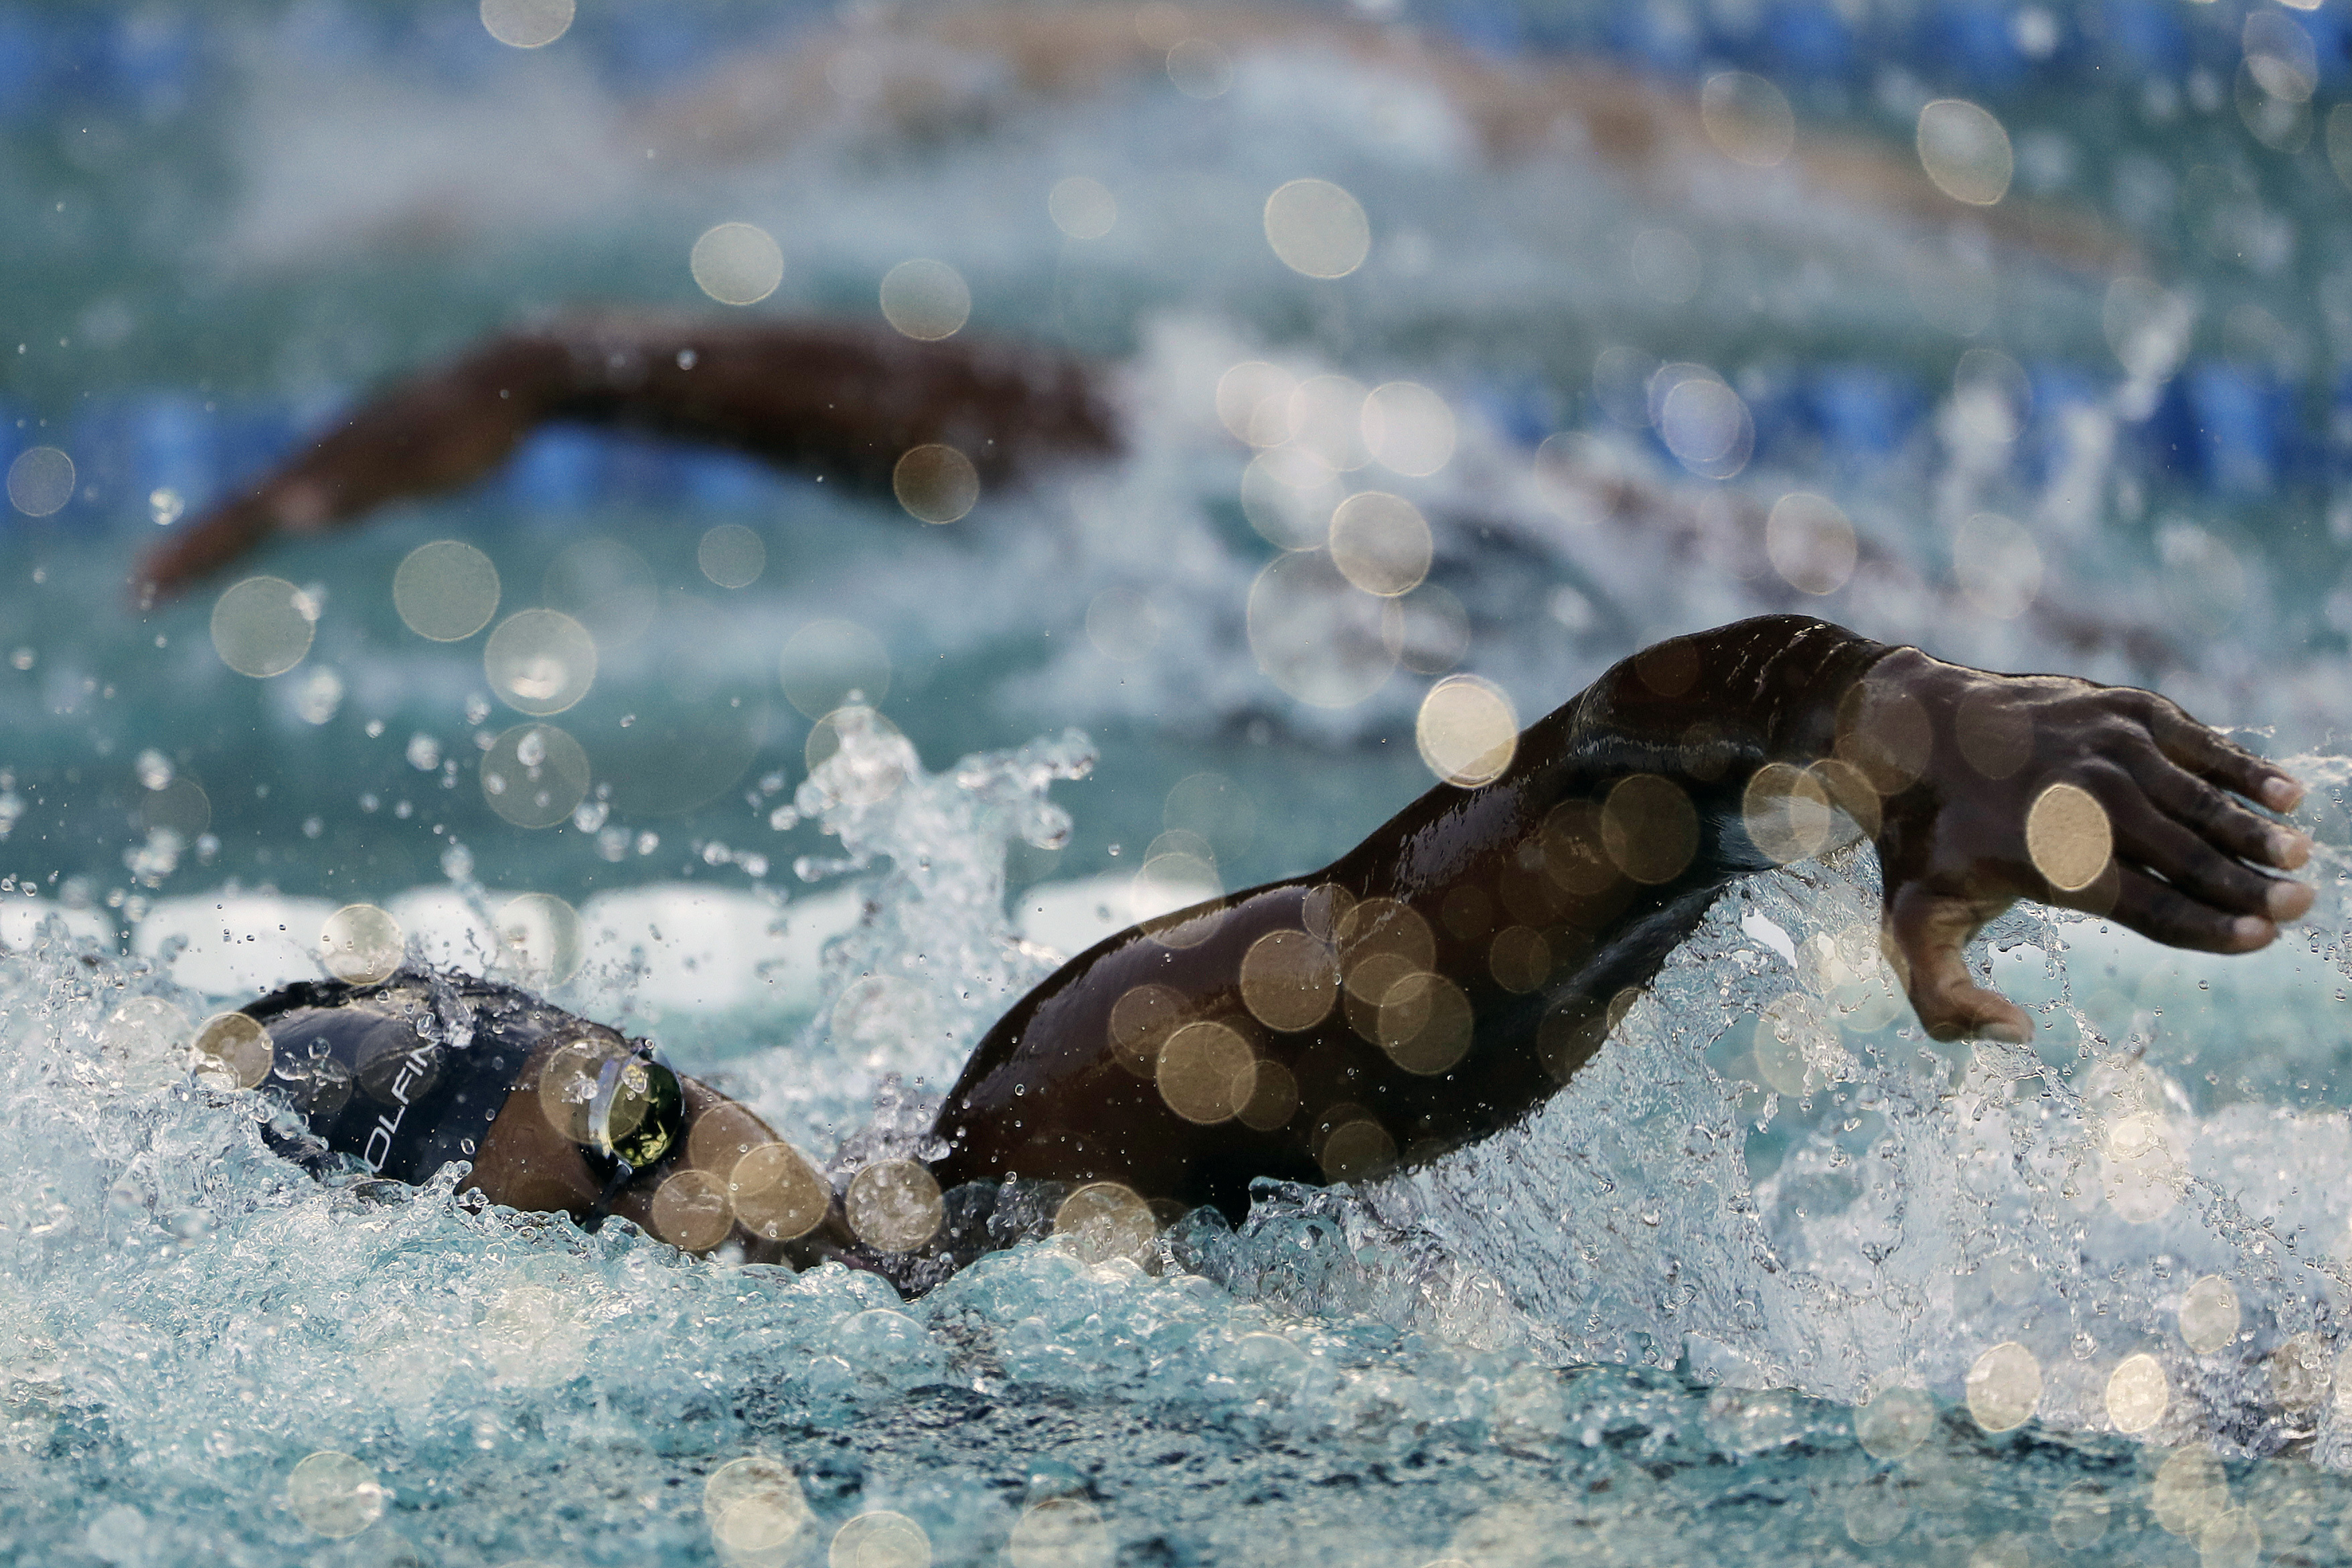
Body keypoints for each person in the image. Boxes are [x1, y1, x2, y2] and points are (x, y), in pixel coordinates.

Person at [228, 610, 2315, 1295]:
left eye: (645, 1099)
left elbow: (1458, 886)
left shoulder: (1046, 1140)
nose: (692, 1171)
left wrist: (1868, 719)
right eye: (613, 1160)